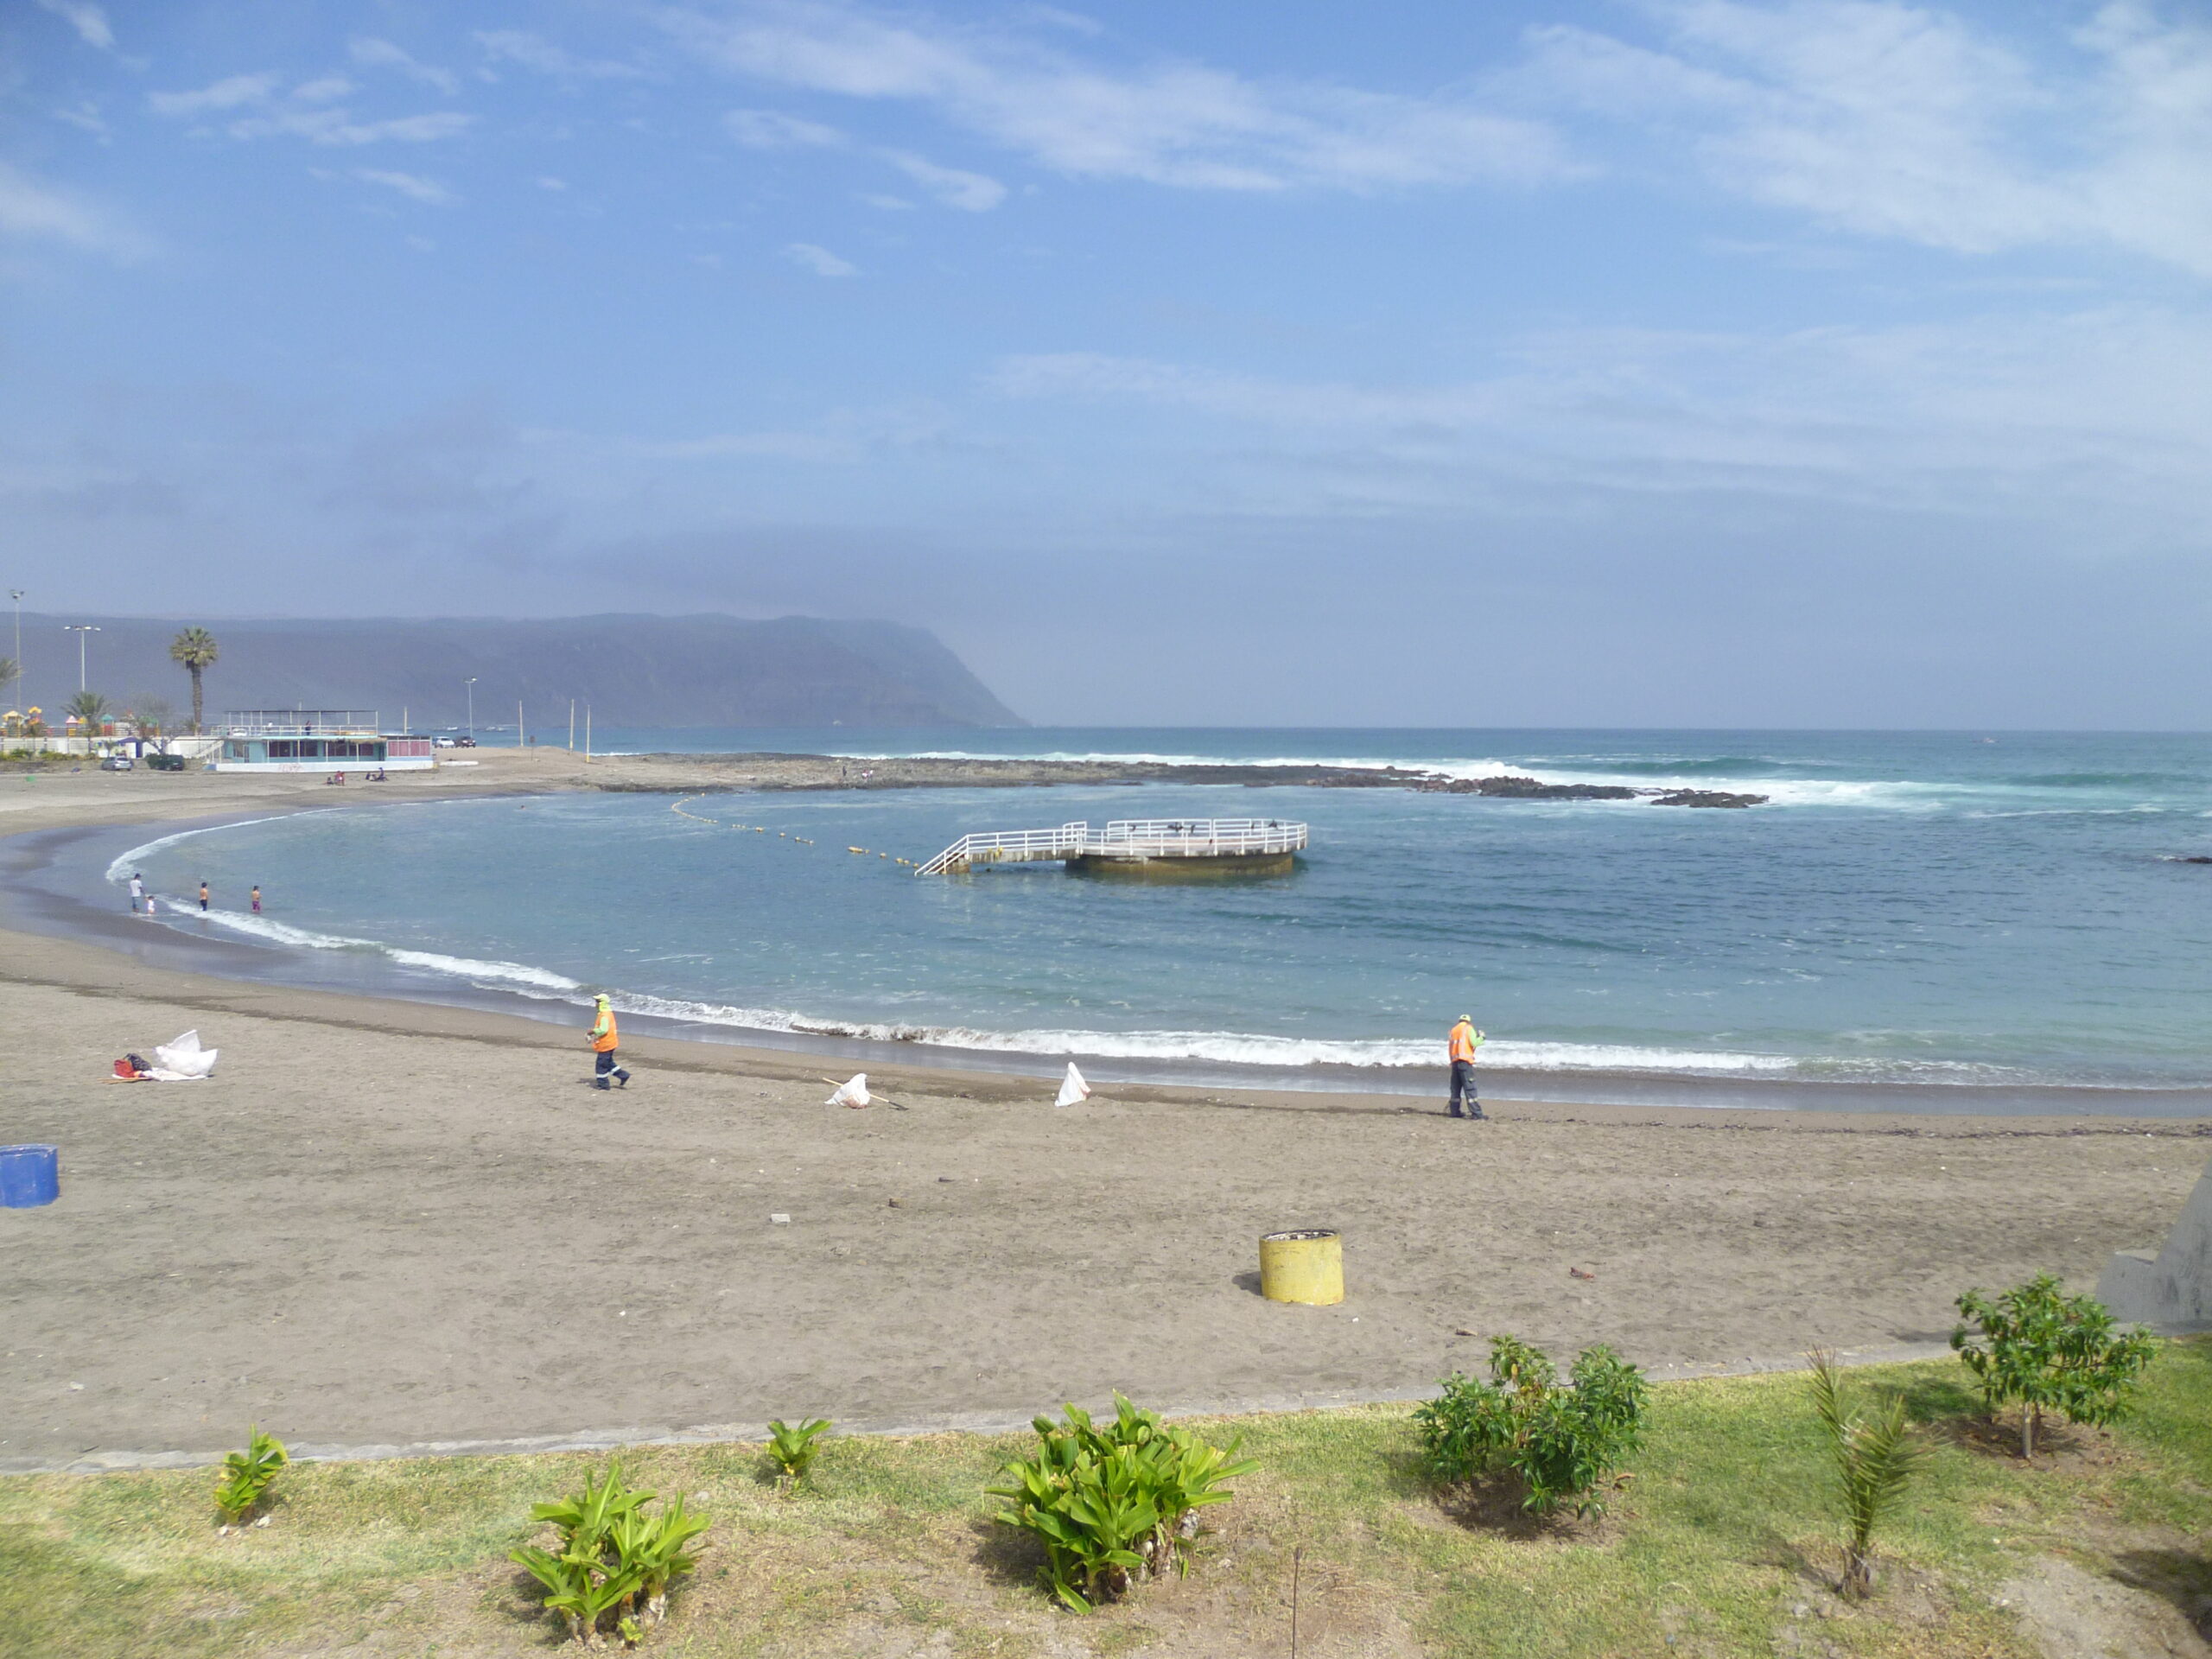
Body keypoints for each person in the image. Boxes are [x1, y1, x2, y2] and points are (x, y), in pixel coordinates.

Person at [588, 994, 631, 1090]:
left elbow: (603, 1030)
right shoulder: (608, 1013)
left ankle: (603, 1084)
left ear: (602, 1003)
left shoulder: (604, 1015)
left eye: (597, 1002)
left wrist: (592, 1031)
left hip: (606, 1043)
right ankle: (623, 1075)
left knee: (601, 1064)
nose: (596, 1004)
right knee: (608, 1062)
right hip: (611, 1042)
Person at [1446, 1015, 1486, 1120]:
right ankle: (1476, 1113)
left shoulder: (1453, 1030)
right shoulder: (1468, 1028)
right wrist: (1482, 1038)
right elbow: (1474, 1042)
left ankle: (1454, 1112)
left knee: (1455, 1088)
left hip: (1455, 1062)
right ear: (1468, 1022)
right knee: (1470, 1087)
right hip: (1465, 1063)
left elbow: (1452, 1046)